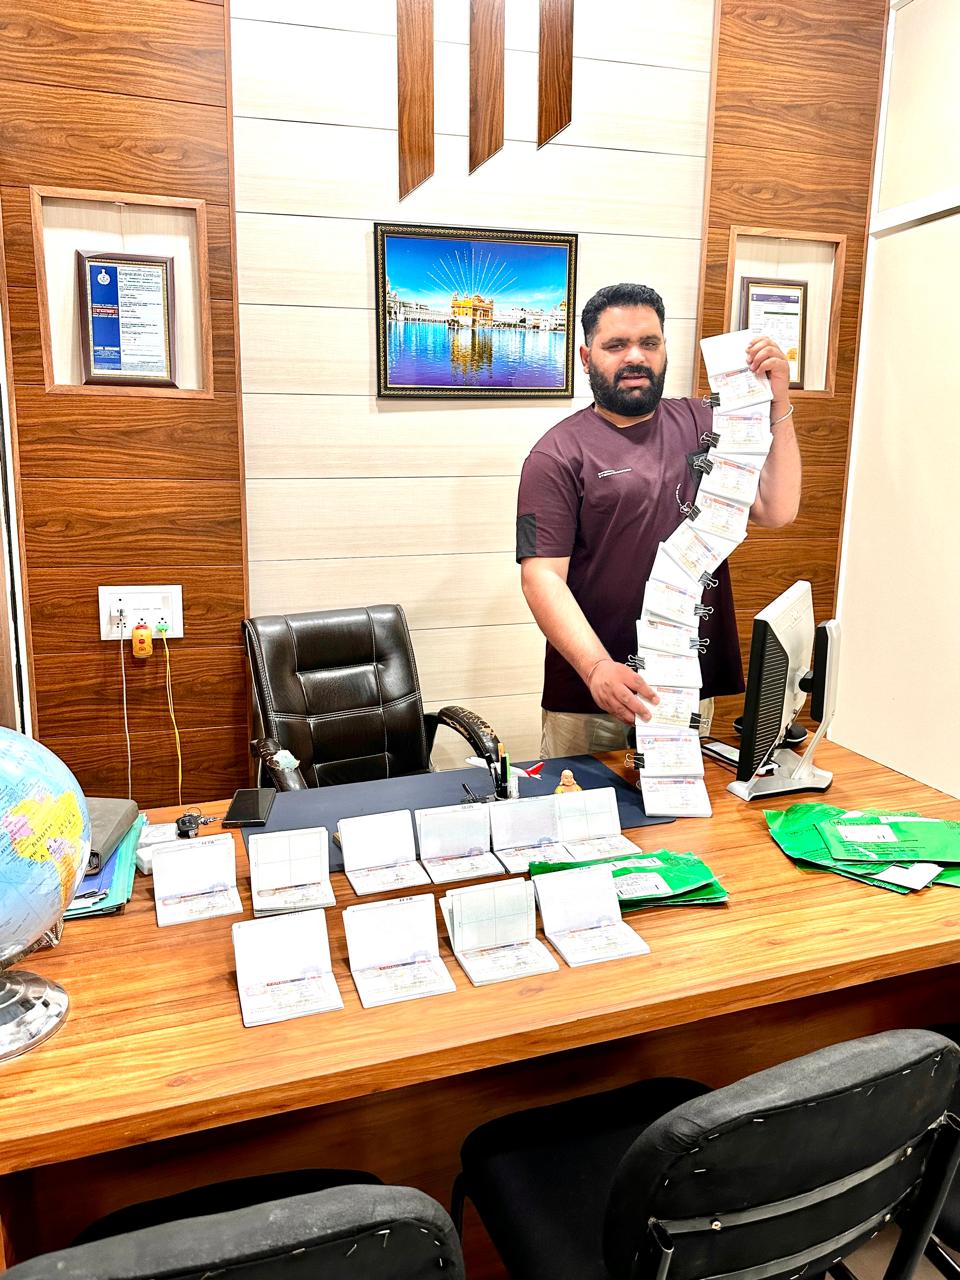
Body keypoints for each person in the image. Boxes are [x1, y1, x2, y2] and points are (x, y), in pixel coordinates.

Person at [516, 282, 802, 759]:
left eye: (649, 343)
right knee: (583, 806)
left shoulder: (706, 424)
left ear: (665, 348)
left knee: (688, 810)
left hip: (686, 688)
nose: (636, 357)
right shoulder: (557, 454)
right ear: (586, 358)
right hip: (593, 696)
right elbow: (541, 577)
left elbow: (777, 509)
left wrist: (778, 404)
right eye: (616, 345)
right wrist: (595, 668)